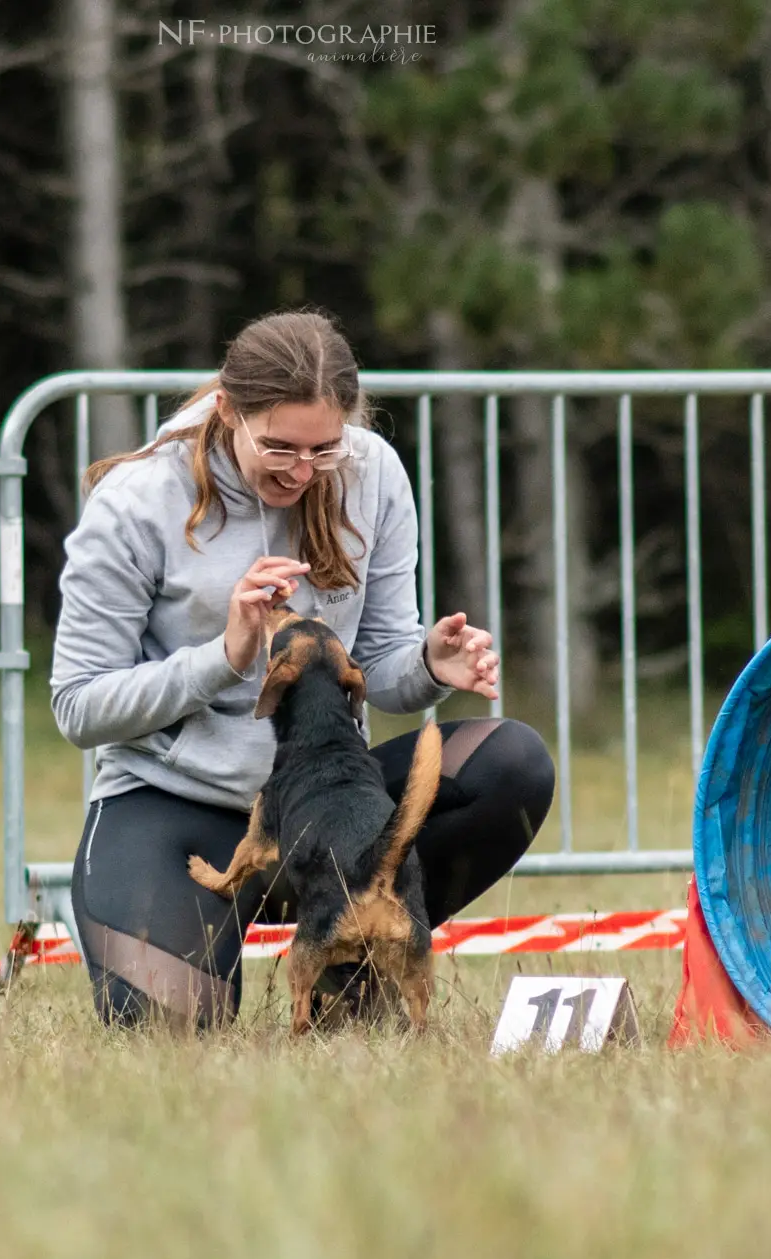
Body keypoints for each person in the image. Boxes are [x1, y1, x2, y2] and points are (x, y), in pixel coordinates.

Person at [50, 308, 556, 1028]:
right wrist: (224, 658)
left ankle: (351, 977)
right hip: (174, 803)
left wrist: (429, 663)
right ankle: (239, 948)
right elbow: (78, 706)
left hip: (328, 810)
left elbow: (378, 670)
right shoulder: (135, 501)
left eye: (324, 449)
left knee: (513, 766)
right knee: (168, 1031)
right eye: (280, 447)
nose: (303, 470)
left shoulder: (372, 470)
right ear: (227, 410)